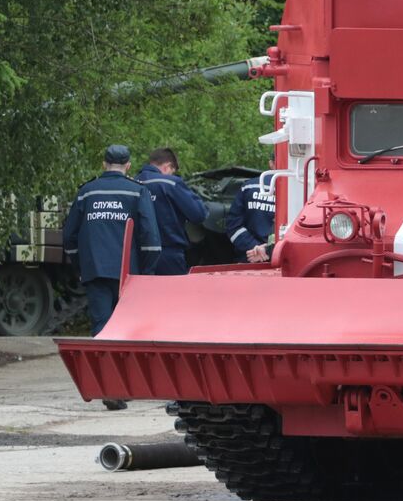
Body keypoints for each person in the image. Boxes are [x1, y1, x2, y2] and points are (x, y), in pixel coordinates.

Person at [62, 144, 160, 409]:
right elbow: (150, 239)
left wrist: (81, 266)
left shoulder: (86, 193)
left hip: (95, 271)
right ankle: (122, 386)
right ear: (128, 165)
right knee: (127, 331)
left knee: (102, 329)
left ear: (104, 164)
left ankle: (108, 387)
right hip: (128, 274)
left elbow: (69, 238)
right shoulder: (137, 191)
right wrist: (146, 273)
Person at [135, 147, 208, 276]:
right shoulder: (171, 183)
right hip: (168, 254)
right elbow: (198, 214)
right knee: (174, 295)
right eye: (172, 171)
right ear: (168, 166)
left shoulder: (132, 183)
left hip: (136, 255)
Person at [225, 179, 276, 262]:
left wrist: (255, 247)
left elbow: (233, 226)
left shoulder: (248, 186)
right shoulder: (300, 189)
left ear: (270, 164)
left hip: (250, 259)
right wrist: (267, 250)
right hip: (285, 262)